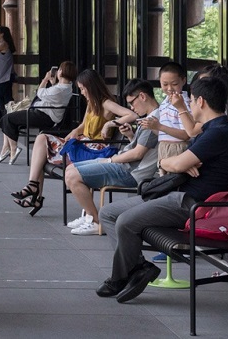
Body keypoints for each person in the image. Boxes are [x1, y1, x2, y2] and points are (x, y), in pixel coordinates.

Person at [96, 76, 228, 303]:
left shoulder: (219, 133)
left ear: (201, 101)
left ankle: (120, 276)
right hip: (177, 196)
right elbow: (180, 153)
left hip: (193, 204)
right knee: (108, 213)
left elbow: (175, 164)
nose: (190, 104)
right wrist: (175, 162)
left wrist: (172, 163)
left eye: (192, 100)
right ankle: (139, 268)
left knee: (125, 221)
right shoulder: (211, 129)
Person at [11, 69, 137, 215]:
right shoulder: (92, 102)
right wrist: (72, 133)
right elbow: (83, 125)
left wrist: (110, 124)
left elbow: (131, 115)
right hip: (82, 143)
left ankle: (35, 194)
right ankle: (34, 188)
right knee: (41, 141)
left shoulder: (106, 103)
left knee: (42, 147)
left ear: (91, 87)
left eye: (83, 89)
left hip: (92, 149)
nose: (82, 92)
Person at [64, 79, 159, 236]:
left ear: (142, 96)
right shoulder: (150, 118)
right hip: (125, 165)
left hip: (130, 172)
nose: (131, 108)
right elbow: (140, 150)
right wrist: (130, 136)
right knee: (70, 169)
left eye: (132, 102)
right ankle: (89, 217)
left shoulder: (152, 121)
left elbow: (138, 154)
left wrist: (110, 160)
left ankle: (95, 221)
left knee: (73, 176)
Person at [0, 61, 77, 164]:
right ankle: (6, 148)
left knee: (8, 118)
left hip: (43, 116)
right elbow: (54, 93)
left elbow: (40, 93)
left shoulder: (60, 89)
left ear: (60, 72)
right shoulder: (66, 87)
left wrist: (45, 79)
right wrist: (52, 83)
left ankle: (13, 148)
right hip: (43, 114)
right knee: (8, 118)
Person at [137, 61, 192, 174]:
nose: (170, 88)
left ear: (183, 81)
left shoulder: (185, 103)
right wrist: (152, 126)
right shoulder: (164, 103)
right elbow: (164, 133)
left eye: (174, 84)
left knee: (174, 184)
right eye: (165, 84)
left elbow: (186, 134)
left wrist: (160, 126)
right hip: (163, 147)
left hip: (178, 148)